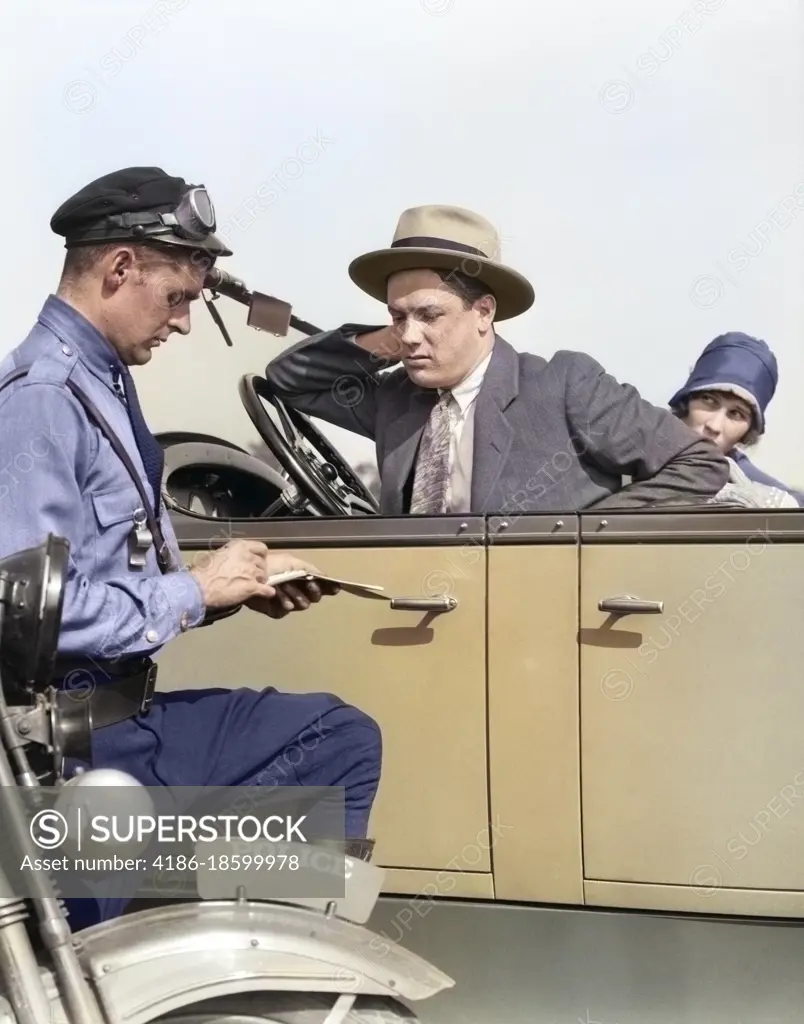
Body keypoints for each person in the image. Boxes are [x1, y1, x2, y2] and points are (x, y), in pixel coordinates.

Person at [0, 167, 382, 927]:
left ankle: (241, 961)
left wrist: (231, 594)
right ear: (119, 269)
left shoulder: (102, 380)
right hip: (74, 748)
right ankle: (160, 957)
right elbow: (20, 614)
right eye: (177, 297)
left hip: (130, 722)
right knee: (79, 968)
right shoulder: (43, 396)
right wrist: (195, 590)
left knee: (336, 739)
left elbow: (119, 571)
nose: (180, 322)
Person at [264, 205, 728, 515]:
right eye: (396, 316)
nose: (409, 335)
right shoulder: (396, 398)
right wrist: (395, 338)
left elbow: (697, 464)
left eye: (430, 314)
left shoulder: (565, 385)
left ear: (484, 312)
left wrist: (586, 535)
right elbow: (289, 379)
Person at [668, 332, 803, 508]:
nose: (714, 426)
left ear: (747, 432)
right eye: (708, 400)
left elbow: (796, 504)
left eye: (736, 414)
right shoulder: (641, 436)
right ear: (687, 400)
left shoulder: (734, 470)